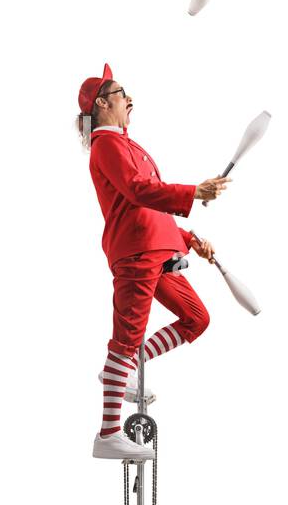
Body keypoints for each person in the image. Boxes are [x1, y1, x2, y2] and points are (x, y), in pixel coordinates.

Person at [75, 63, 232, 460]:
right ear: (102, 104)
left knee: (196, 318)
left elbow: (148, 208)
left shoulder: (127, 145)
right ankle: (108, 433)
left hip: (158, 249)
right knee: (125, 338)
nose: (130, 100)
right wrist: (193, 192)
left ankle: (129, 368)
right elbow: (140, 191)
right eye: (122, 93)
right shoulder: (107, 144)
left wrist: (190, 239)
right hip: (137, 253)